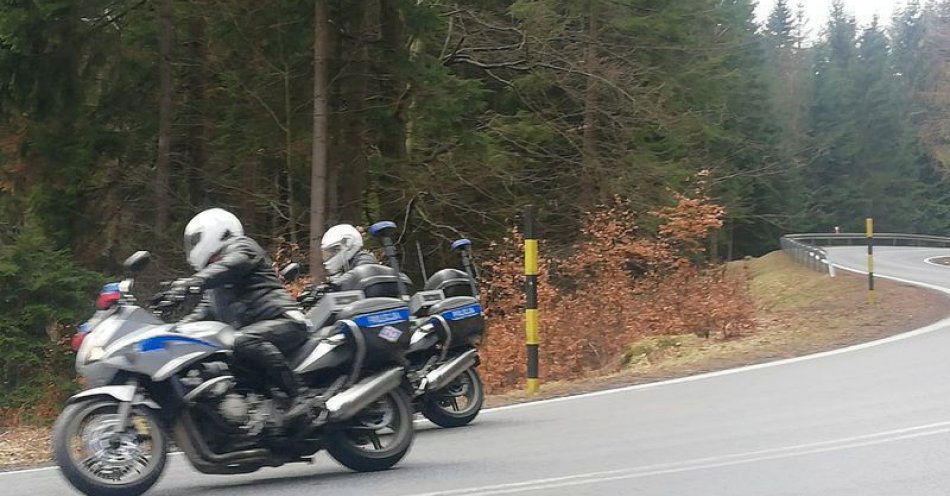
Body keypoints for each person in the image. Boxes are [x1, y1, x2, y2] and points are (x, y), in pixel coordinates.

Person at [168, 208, 311, 428]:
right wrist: (172, 332)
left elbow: (231, 265)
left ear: (218, 231)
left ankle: (301, 396)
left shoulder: (241, 246)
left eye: (195, 240)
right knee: (223, 358)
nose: (192, 247)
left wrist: (193, 281)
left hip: (285, 321)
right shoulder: (214, 287)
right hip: (260, 333)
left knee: (243, 339)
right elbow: (202, 314)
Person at [299, 224, 378, 306]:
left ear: (348, 245)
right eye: (326, 253)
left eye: (332, 252)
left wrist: (328, 288)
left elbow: (355, 277)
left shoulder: (364, 260)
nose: (328, 257)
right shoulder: (345, 267)